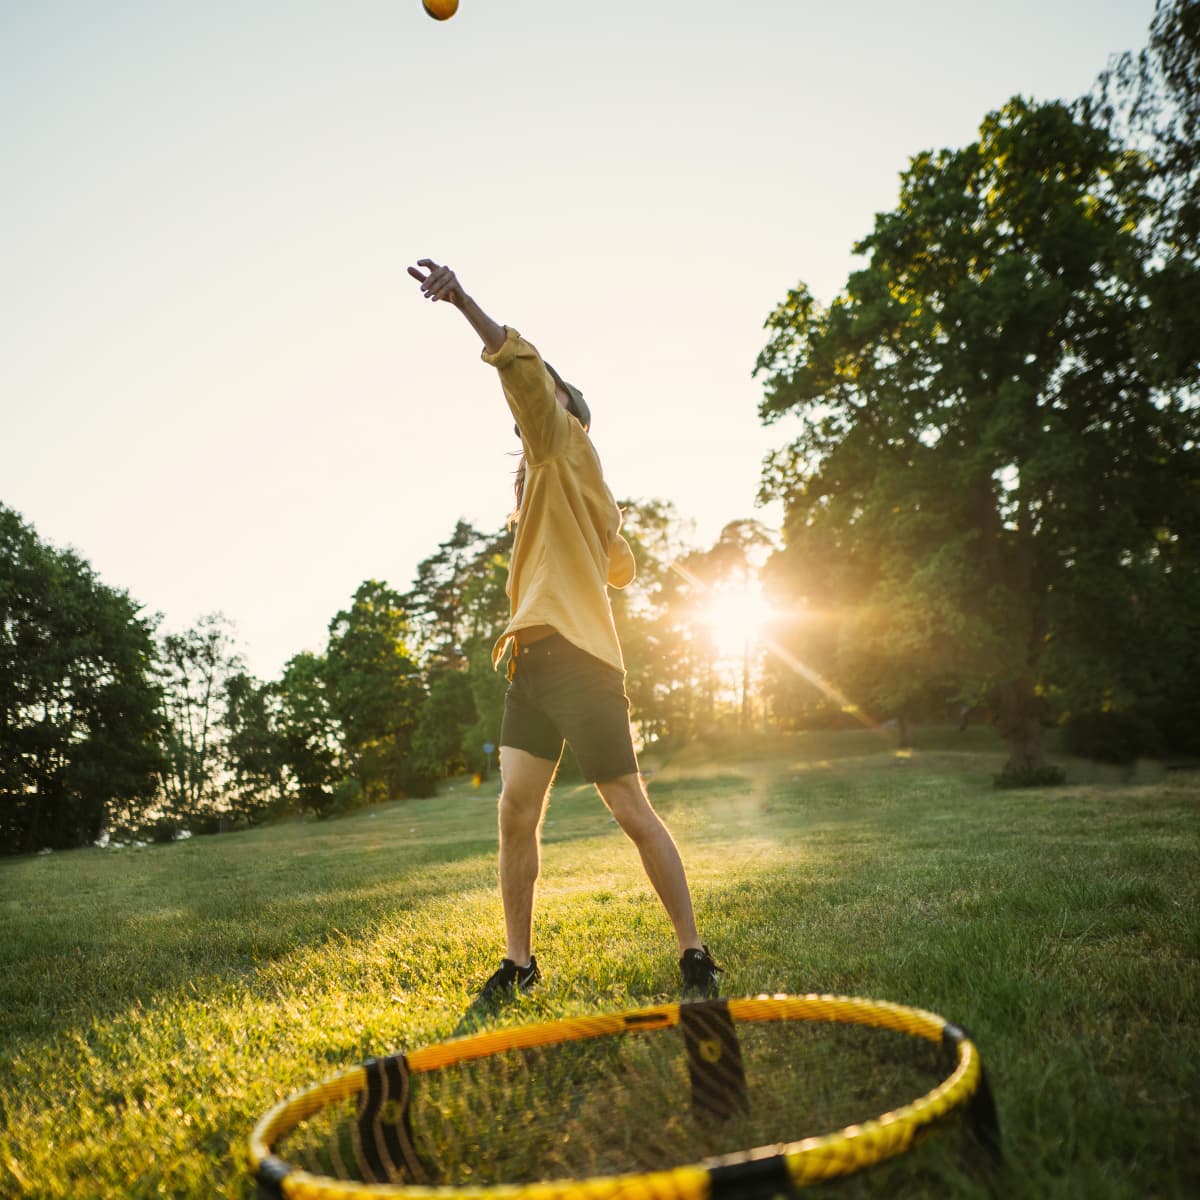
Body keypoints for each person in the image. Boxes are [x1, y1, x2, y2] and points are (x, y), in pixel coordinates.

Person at [407, 258, 721, 1002]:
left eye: (534, 414)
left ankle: (695, 953)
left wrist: (464, 303)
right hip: (535, 663)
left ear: (558, 408)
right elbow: (620, 566)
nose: (522, 430)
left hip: (581, 662)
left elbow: (520, 366)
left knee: (628, 808)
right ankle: (520, 964)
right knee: (516, 809)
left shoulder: (560, 441)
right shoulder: (573, 479)